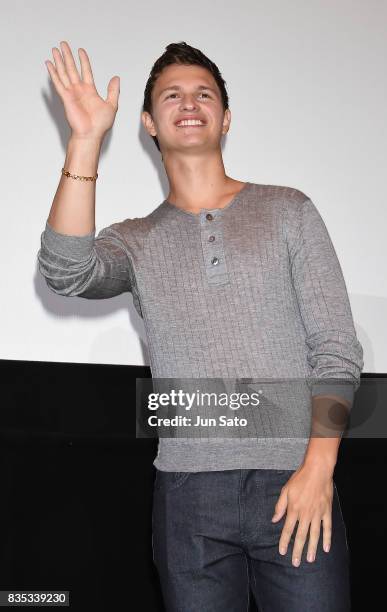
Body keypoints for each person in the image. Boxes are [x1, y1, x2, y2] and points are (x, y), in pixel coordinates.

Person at [38, 40, 363, 611]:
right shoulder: (133, 240)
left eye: (204, 93)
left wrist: (319, 468)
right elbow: (66, 273)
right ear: (148, 123)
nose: (189, 103)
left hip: (295, 482)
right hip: (188, 497)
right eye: (172, 95)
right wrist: (86, 140)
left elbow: (335, 350)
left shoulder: (289, 210)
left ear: (226, 117)